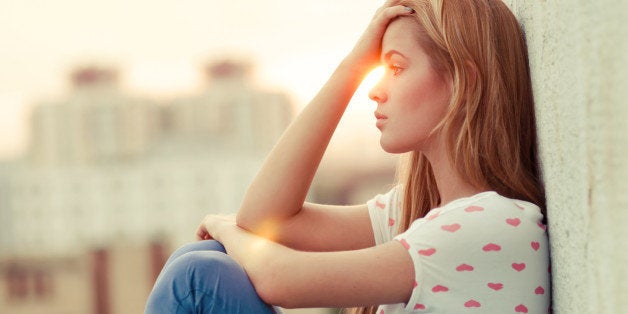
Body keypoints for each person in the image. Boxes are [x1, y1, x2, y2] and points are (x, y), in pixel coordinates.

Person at [145, 0, 551, 313]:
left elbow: (277, 278)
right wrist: (353, 64)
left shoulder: (496, 223)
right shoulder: (417, 212)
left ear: (464, 81)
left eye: (395, 67)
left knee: (198, 276)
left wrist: (224, 226)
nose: (374, 90)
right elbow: (267, 218)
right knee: (203, 257)